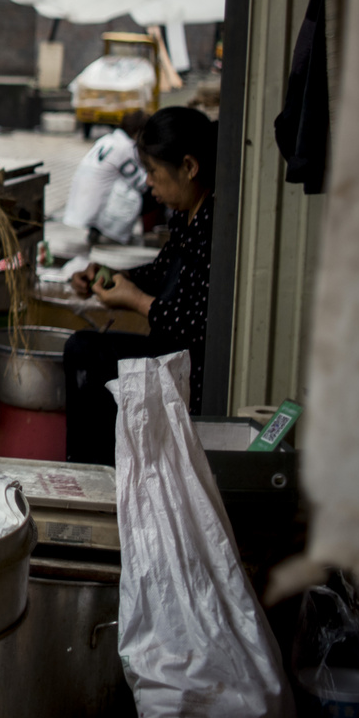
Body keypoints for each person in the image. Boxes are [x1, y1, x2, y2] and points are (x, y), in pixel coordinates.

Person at [63, 107, 218, 465]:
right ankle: (90, 470)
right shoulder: (185, 214)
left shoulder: (213, 222)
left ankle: (104, 473)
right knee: (82, 349)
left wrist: (136, 301)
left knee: (88, 357)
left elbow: (195, 324)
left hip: (188, 368)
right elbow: (161, 271)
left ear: (190, 167)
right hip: (164, 349)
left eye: (153, 172)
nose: (148, 182)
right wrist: (111, 275)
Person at [61, 111, 149, 246]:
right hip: (98, 207)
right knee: (145, 193)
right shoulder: (125, 147)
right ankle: (119, 234)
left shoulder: (107, 140)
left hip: (83, 202)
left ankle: (97, 231)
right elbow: (142, 183)